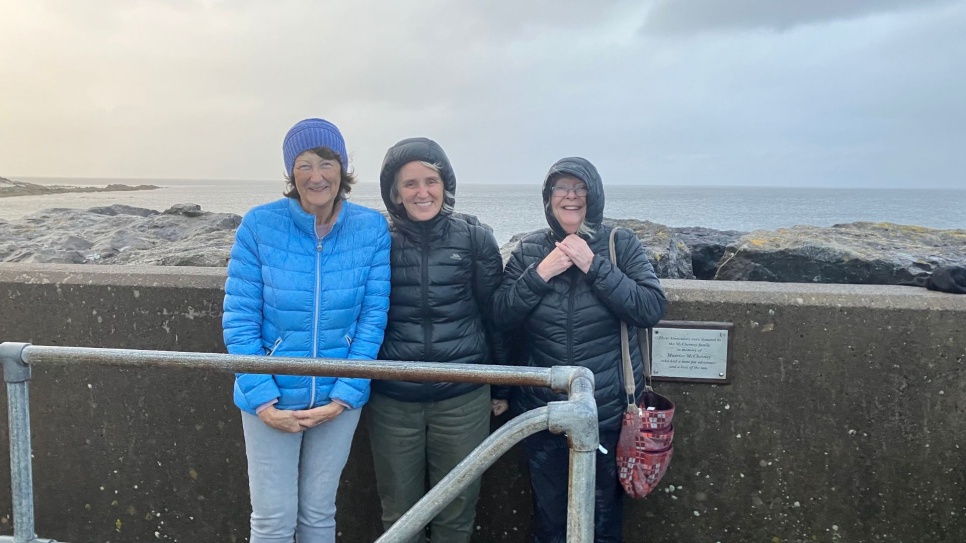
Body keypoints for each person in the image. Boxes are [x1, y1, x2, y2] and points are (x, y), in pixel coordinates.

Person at [222, 118, 391, 543]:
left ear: (343, 168)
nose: (317, 176)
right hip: (270, 398)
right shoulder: (259, 226)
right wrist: (263, 401)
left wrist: (344, 397)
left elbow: (372, 319)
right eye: (304, 165)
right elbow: (239, 321)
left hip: (338, 398)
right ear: (290, 174)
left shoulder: (370, 229)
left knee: (319, 515)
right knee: (273, 519)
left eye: (327, 163)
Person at [491, 157, 667, 543]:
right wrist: (541, 273)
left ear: (595, 195)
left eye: (580, 188)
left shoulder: (620, 243)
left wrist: (595, 266)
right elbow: (501, 314)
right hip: (544, 411)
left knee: (603, 524)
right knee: (550, 522)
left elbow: (651, 307)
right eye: (560, 188)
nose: (570, 196)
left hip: (605, 413)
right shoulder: (531, 248)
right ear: (548, 197)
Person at [368, 137, 508, 543]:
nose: (422, 191)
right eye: (410, 183)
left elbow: (494, 315)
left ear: (446, 185)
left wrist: (500, 384)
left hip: (462, 397)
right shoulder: (378, 239)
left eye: (431, 180)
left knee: (457, 513)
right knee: (399, 516)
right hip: (393, 399)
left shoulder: (474, 238)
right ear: (394, 192)